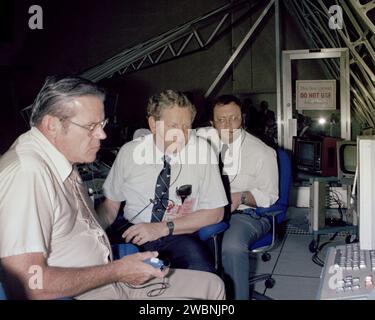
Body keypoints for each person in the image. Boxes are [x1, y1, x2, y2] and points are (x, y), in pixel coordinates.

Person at [0, 76, 225, 300]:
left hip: (109, 274)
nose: (103, 135)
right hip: (95, 286)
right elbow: (29, 284)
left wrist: (119, 265)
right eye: (91, 126)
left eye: (102, 125)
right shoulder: (27, 174)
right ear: (53, 125)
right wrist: (118, 270)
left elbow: (90, 222)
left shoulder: (61, 161)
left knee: (212, 285)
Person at [98, 90, 228, 274]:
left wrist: (161, 228)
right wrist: (91, 230)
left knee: (203, 276)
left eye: (186, 126)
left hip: (178, 233)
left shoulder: (202, 152)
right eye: (174, 125)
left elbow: (216, 213)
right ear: (153, 124)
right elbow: (111, 207)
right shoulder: (129, 152)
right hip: (132, 232)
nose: (182, 135)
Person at [197, 95, 278, 300]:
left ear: (242, 118)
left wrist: (240, 197)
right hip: (206, 209)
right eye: (221, 120)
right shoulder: (201, 145)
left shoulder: (262, 152)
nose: (228, 125)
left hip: (248, 214)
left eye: (233, 118)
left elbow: (270, 196)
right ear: (212, 122)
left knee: (231, 247)